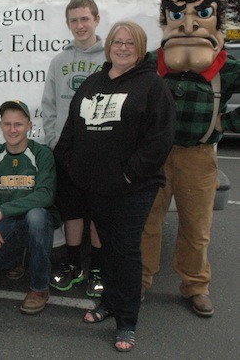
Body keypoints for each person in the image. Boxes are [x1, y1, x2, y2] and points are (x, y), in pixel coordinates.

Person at [54, 21, 175, 352]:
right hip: (95, 186)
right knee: (105, 247)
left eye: (130, 43)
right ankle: (108, 302)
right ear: (108, 46)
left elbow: (159, 139)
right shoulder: (93, 82)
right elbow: (73, 127)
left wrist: (128, 175)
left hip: (133, 188)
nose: (123, 48)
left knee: (125, 249)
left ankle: (127, 321)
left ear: (141, 48)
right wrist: (71, 165)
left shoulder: (152, 86)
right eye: (117, 42)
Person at [141, 0, 240, 318]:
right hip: (155, 156)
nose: (189, 22)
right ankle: (140, 279)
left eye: (202, 12)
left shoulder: (226, 65)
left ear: (217, 17)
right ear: (165, 18)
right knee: (147, 222)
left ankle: (195, 285)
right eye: (178, 14)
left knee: (197, 227)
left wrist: (225, 121)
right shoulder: (151, 61)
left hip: (198, 157)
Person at [41, 0, 105, 297]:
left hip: (100, 151)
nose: (80, 25)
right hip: (66, 152)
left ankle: (97, 269)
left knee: (99, 212)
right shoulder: (59, 61)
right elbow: (49, 106)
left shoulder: (110, 59)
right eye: (74, 20)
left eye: (85, 19)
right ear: (68, 24)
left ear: (96, 20)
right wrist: (55, 142)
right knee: (72, 211)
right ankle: (73, 265)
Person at [0, 100, 59, 315]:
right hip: (9, 225)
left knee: (36, 217)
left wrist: (1, 211)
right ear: (0, 125)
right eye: (7, 124)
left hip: (37, 220)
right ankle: (17, 256)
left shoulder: (41, 154)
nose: (12, 129)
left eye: (18, 124)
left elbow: (46, 195)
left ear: (29, 126)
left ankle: (39, 288)